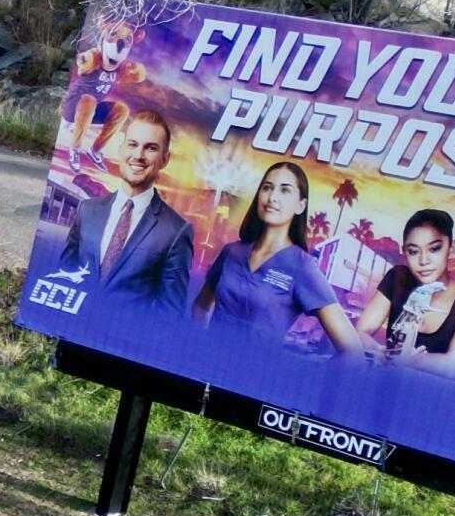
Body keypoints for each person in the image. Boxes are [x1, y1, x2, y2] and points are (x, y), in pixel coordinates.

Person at [195, 160, 364, 354]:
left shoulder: (302, 267)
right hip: (206, 370)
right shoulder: (232, 252)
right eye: (267, 188)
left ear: (300, 205)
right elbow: (201, 306)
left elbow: (353, 353)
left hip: (249, 379)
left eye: (285, 190)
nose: (273, 197)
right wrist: (199, 346)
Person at [58, 106, 195, 315]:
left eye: (150, 148)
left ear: (164, 159)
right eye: (132, 145)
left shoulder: (176, 231)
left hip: (121, 340)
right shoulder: (87, 210)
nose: (138, 155)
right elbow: (63, 274)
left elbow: (170, 314)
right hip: (71, 331)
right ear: (121, 149)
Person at [358, 207, 455, 365]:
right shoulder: (398, 278)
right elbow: (360, 332)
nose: (423, 261)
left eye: (434, 249)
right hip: (388, 381)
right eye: (414, 251)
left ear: (451, 249)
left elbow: (453, 366)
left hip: (433, 389)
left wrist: (405, 360)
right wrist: (380, 352)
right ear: (404, 251)